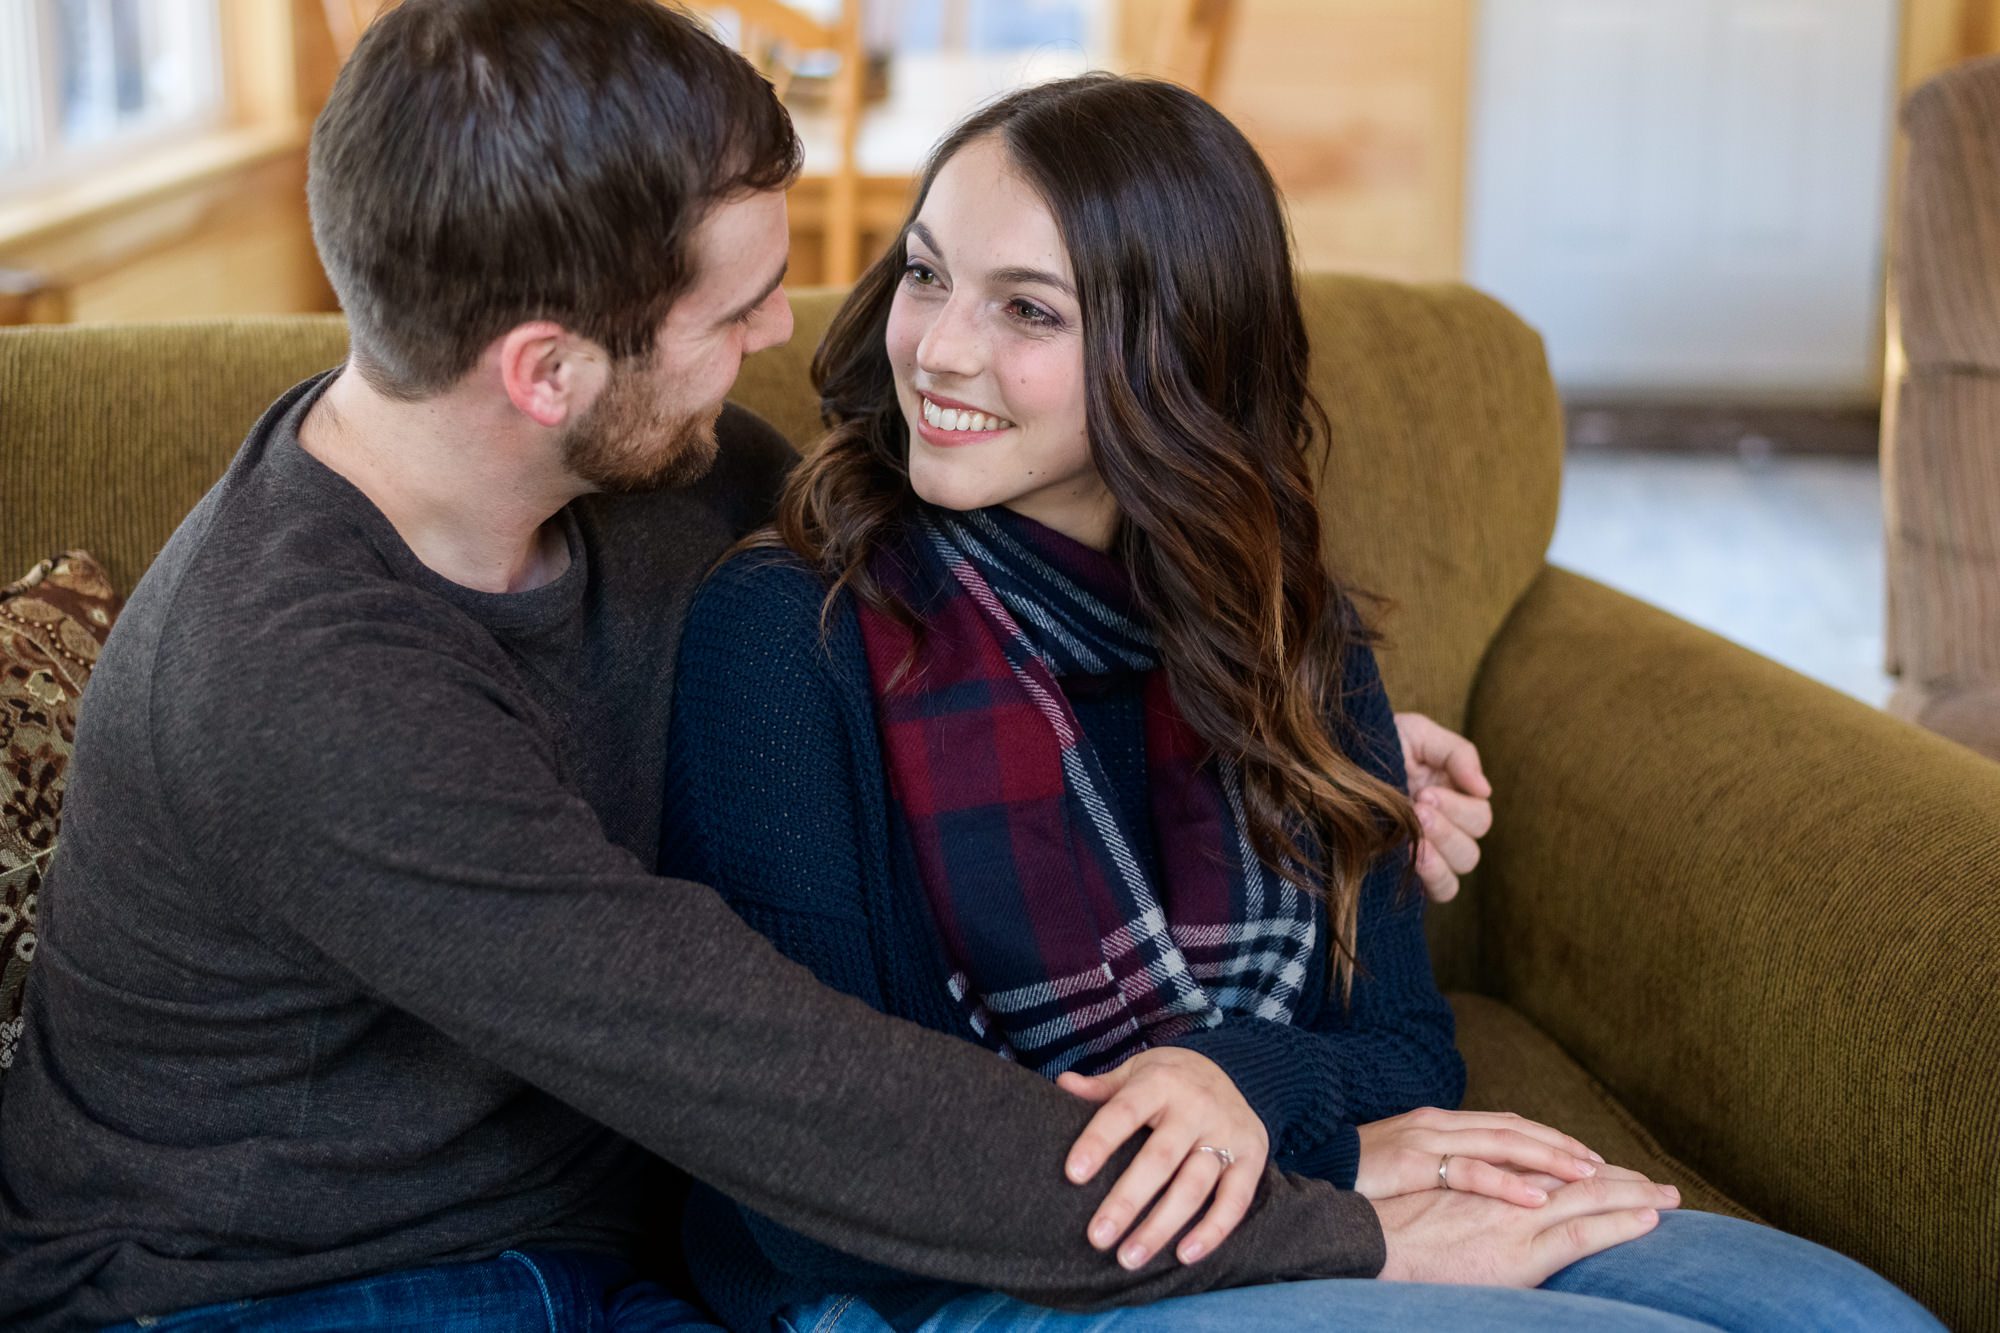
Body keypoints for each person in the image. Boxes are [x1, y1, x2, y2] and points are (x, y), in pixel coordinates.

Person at [0, 4, 1588, 1331]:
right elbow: (786, 1088)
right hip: (270, 1290)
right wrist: (1339, 1226)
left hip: (594, 1247)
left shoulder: (672, 478)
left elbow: (971, 610)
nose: (792, 332)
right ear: (546, 372)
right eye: (737, 302)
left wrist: (1290, 739)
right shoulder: (300, 689)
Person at [662, 74, 1946, 1333]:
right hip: (933, 1278)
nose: (937, 346)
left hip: (1260, 1184)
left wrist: (1239, 1082)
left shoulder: (1278, 627)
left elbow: (1402, 1045)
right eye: (927, 274)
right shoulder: (788, 631)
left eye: (1029, 311)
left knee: (1843, 1310)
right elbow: (808, 1185)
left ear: (1177, 349)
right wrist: (1315, 1178)